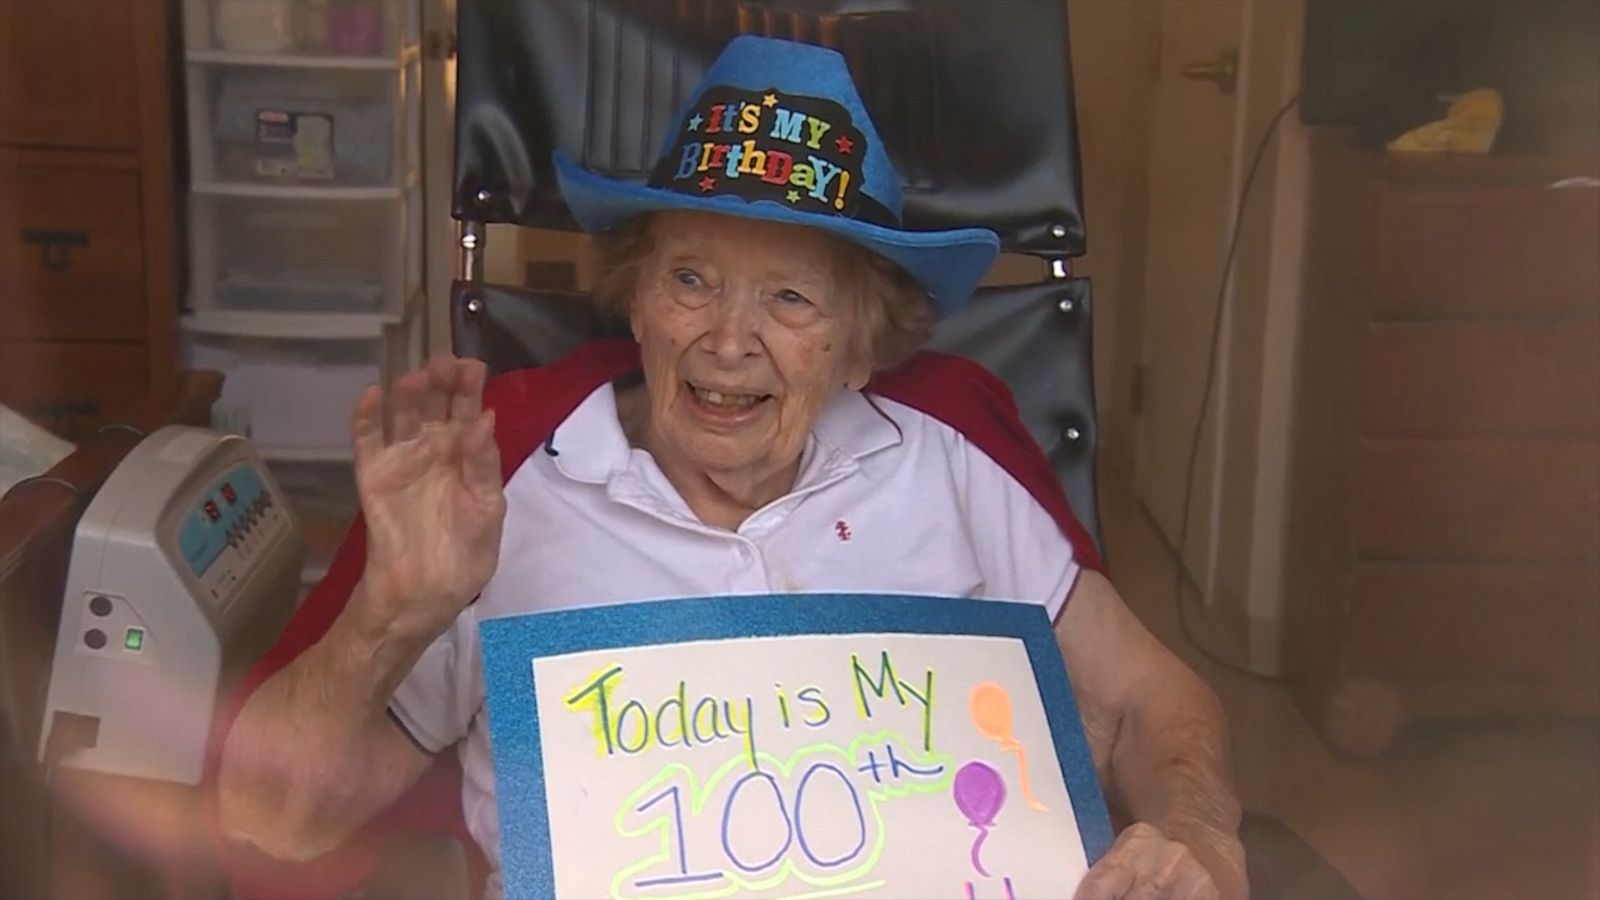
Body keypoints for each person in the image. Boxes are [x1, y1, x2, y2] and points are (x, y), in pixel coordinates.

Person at [212, 35, 1247, 900]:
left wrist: (1201, 842)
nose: (727, 341)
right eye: (691, 280)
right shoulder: (505, 480)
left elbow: (1153, 697)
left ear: (859, 341)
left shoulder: (950, 455)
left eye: (790, 300)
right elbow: (273, 821)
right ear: (633, 297)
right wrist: (392, 613)